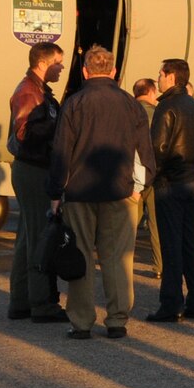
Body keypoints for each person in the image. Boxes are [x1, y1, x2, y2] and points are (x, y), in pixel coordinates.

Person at [48, 44, 156, 340]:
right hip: (120, 192)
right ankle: (117, 319)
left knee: (80, 256)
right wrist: (139, 186)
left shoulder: (74, 103)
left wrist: (56, 193)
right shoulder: (131, 105)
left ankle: (81, 321)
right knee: (119, 257)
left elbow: (61, 152)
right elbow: (144, 151)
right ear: (114, 71)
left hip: (79, 192)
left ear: (84, 71)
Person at [146, 59, 194, 324]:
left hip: (170, 184)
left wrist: (156, 176)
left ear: (171, 77)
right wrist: (192, 163)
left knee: (170, 245)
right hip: (193, 180)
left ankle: (171, 304)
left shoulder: (166, 107)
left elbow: (158, 149)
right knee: (192, 243)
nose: (158, 78)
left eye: (161, 73)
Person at [6, 42, 67, 323]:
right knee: (41, 236)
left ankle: (21, 301)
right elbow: (24, 135)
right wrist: (57, 129)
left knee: (27, 236)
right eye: (58, 62)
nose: (62, 67)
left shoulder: (36, 90)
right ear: (43, 63)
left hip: (32, 168)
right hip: (33, 169)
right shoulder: (30, 93)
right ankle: (42, 303)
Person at [130, 78, 164, 281]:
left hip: (131, 176)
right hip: (154, 175)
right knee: (156, 224)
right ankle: (159, 266)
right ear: (151, 93)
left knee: (128, 225)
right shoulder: (159, 114)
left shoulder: (126, 114)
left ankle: (122, 264)